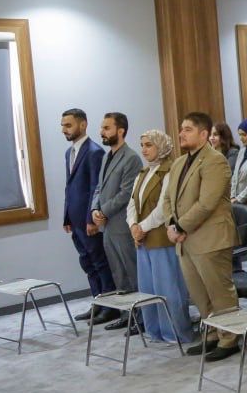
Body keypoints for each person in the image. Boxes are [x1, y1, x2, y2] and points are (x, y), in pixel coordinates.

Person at [162, 112, 240, 361]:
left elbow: (207, 203)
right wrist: (170, 225)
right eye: (181, 129)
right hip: (185, 240)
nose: (181, 133)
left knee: (219, 292)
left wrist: (179, 227)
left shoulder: (215, 161)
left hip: (210, 238)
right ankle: (213, 333)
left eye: (188, 129)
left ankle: (230, 339)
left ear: (204, 134)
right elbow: (167, 199)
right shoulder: (178, 163)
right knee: (199, 294)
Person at [127, 130, 195, 345]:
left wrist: (142, 227)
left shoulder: (170, 170)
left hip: (160, 237)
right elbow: (132, 203)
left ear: (161, 146)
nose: (144, 149)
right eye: (142, 145)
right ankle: (154, 330)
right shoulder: (143, 172)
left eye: (149, 145)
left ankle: (175, 332)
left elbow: (163, 208)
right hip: (142, 239)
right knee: (148, 289)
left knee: (168, 288)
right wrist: (133, 226)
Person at [61, 109, 115, 322]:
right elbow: (69, 187)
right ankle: (98, 302)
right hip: (74, 220)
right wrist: (66, 217)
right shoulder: (69, 153)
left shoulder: (94, 152)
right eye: (62, 125)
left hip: (88, 220)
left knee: (100, 262)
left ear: (82, 125)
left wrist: (90, 219)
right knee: (87, 263)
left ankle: (110, 306)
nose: (64, 129)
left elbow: (95, 188)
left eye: (68, 125)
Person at [90, 113, 142, 333]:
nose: (102, 132)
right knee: (118, 273)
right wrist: (94, 209)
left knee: (131, 272)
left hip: (122, 224)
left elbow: (127, 192)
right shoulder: (106, 157)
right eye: (102, 128)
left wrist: (104, 210)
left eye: (107, 128)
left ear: (120, 131)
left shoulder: (131, 158)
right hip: (108, 226)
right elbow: (99, 188)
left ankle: (140, 318)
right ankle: (126, 315)